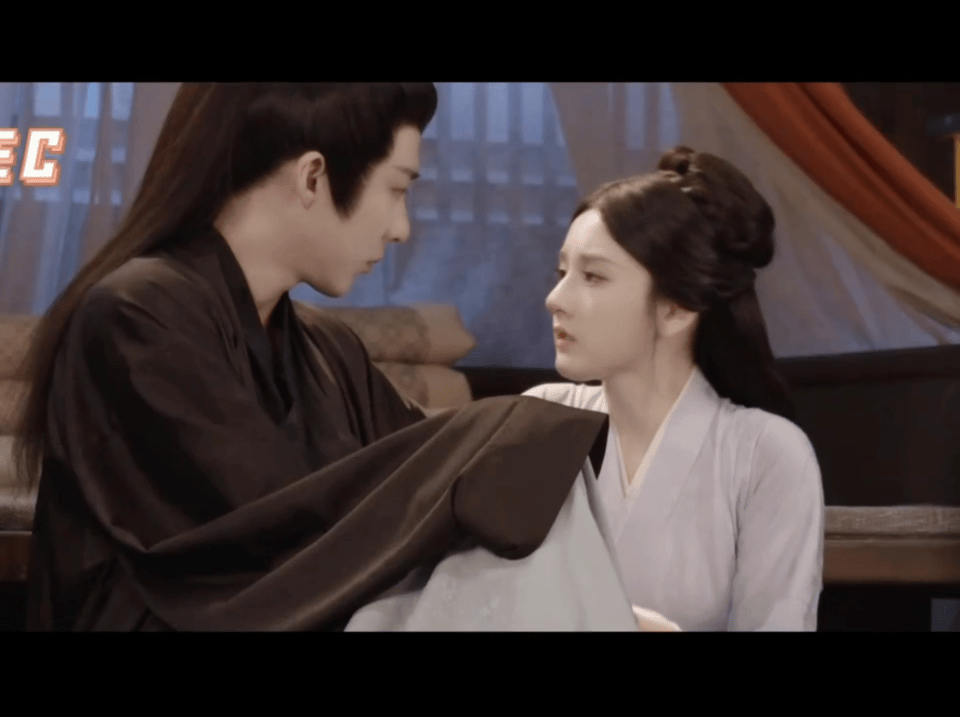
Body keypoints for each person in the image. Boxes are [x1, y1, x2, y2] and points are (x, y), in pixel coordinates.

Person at [12, 83, 619, 631]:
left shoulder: (327, 349)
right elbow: (271, 538)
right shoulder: (135, 315)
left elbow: (415, 482)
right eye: (397, 189)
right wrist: (507, 435)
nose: (401, 227)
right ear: (312, 177)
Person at [523, 146, 825, 631]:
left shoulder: (766, 455)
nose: (555, 299)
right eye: (562, 273)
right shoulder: (539, 419)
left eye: (593, 276)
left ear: (677, 308)